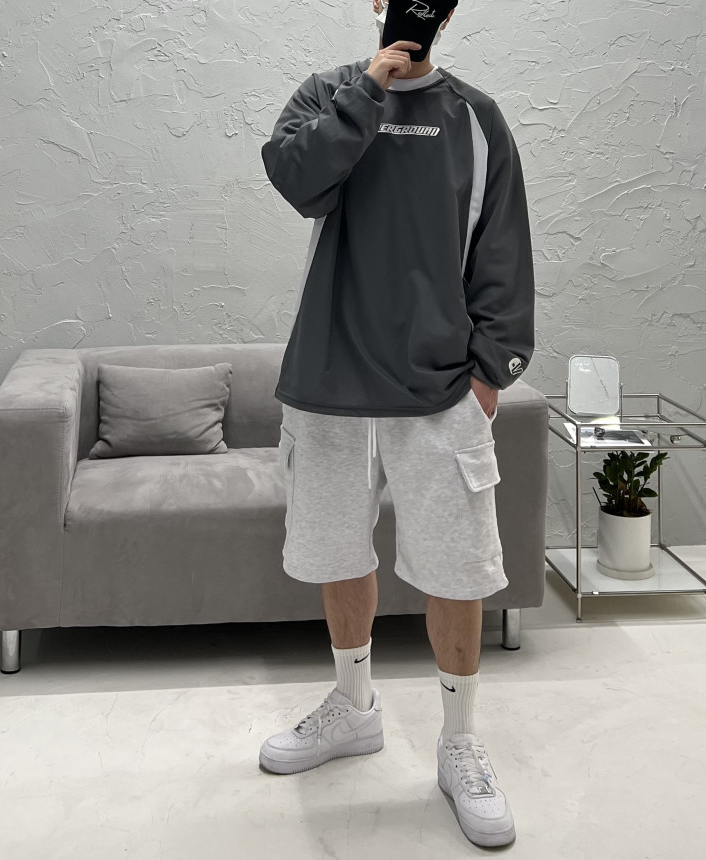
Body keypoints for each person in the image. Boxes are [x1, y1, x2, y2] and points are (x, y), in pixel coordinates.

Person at [257, 0, 534, 848]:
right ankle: (353, 708)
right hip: (328, 380)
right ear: (377, 3)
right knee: (336, 553)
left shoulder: (477, 118)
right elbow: (296, 180)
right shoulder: (327, 94)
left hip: (440, 390)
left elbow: (502, 248)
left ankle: (460, 743)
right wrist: (369, 92)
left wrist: (490, 375)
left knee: (457, 567)